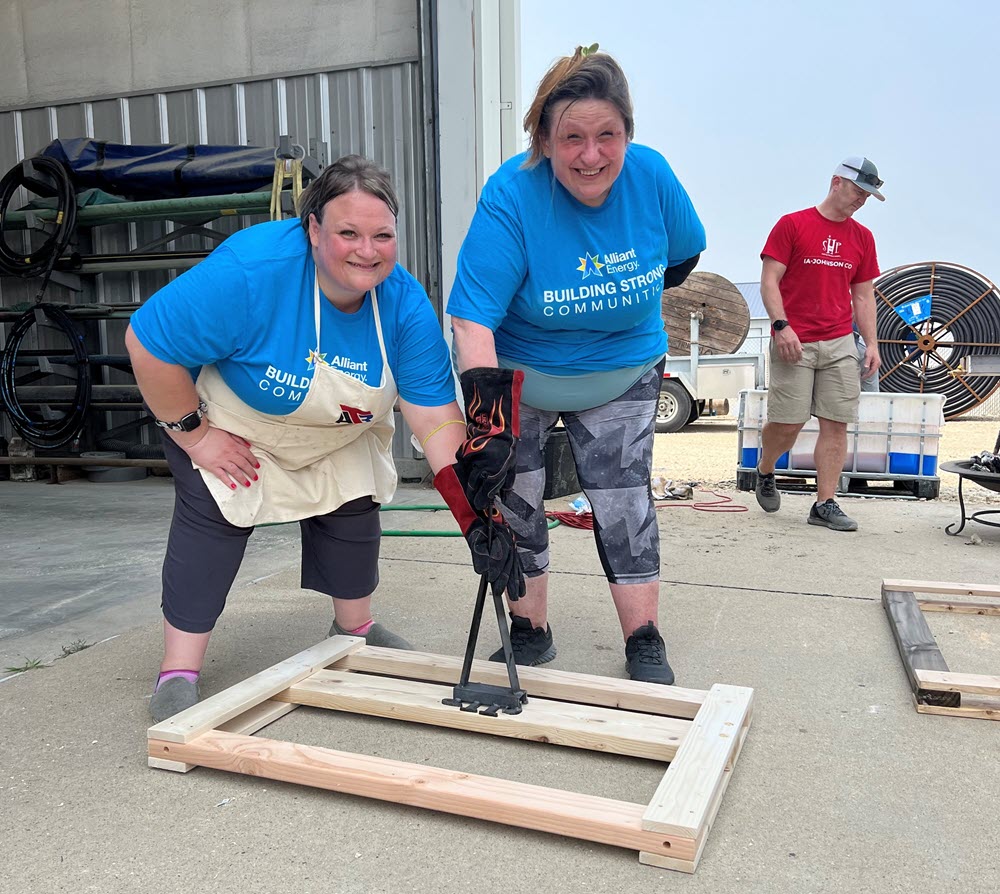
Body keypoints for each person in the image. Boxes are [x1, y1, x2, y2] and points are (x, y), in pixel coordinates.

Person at [126, 155, 523, 723]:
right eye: (348, 233)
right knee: (212, 525)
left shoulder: (404, 305)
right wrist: (193, 435)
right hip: (239, 424)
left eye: (382, 235)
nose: (367, 250)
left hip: (337, 431)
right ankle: (178, 669)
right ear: (312, 229)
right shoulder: (252, 270)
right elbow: (148, 343)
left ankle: (354, 627)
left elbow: (434, 418)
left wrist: (475, 514)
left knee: (354, 515)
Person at [446, 46, 706, 685]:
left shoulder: (652, 176)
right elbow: (472, 320)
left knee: (623, 499)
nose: (592, 156)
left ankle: (644, 637)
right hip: (524, 369)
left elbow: (683, 256)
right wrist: (487, 431)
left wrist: (618, 311)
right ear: (543, 140)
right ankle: (531, 630)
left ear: (628, 134)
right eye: (572, 138)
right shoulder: (511, 194)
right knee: (518, 497)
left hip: (622, 366)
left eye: (607, 136)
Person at [754, 156, 884, 531]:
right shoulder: (792, 225)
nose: (862, 200)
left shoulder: (862, 238)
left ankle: (824, 504)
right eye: (858, 191)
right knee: (788, 422)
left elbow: (863, 296)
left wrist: (871, 344)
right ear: (836, 182)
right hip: (793, 340)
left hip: (840, 342)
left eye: (868, 196)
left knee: (837, 423)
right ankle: (765, 468)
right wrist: (781, 326)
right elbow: (769, 281)